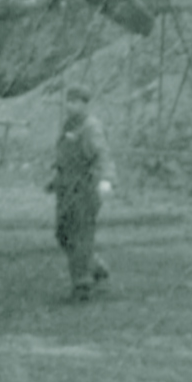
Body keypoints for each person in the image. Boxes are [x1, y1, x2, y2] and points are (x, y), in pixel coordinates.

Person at [50, 86, 113, 302]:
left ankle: (82, 285)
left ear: (85, 104)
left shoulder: (91, 127)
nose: (70, 105)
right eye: (68, 101)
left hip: (85, 188)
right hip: (67, 188)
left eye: (76, 101)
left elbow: (102, 154)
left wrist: (106, 180)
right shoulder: (70, 125)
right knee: (62, 233)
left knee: (81, 235)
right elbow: (66, 154)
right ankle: (94, 266)